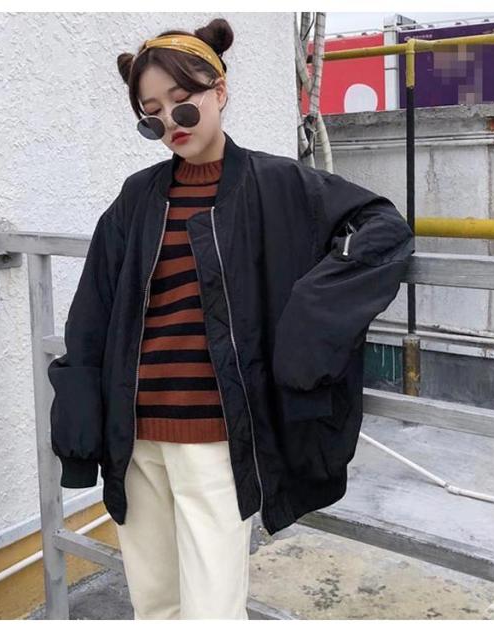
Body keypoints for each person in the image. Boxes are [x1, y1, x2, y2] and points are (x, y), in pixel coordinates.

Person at [48, 16, 414, 621]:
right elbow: (92, 314)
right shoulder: (138, 196)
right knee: (155, 607)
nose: (171, 123)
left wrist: (310, 318)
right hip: (134, 439)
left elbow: (382, 227)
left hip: (217, 440)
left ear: (219, 91)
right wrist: (83, 425)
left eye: (182, 103)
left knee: (213, 612)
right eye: (151, 116)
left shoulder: (279, 184)